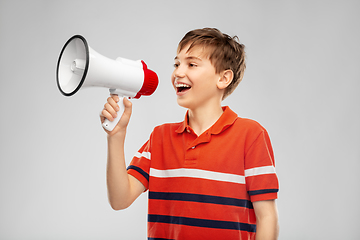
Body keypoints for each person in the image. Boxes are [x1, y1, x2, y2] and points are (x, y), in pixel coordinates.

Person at [100, 27, 279, 240]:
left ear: (223, 78)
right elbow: (120, 200)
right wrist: (116, 136)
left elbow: (267, 217)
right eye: (176, 64)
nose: (178, 72)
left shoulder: (251, 135)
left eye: (191, 64)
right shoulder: (160, 137)